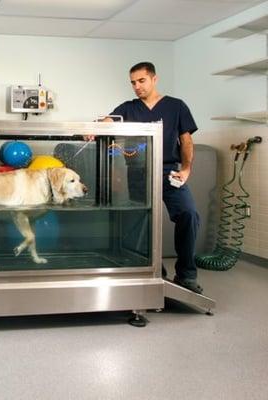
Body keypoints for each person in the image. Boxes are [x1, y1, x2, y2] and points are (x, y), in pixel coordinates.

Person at [104, 61, 203, 294]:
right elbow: (108, 123)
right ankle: (153, 268)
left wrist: (186, 169)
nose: (137, 87)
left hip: (169, 171)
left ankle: (186, 274)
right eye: (133, 83)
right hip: (138, 173)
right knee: (143, 220)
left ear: (154, 79)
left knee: (189, 214)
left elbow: (186, 140)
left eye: (141, 81)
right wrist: (96, 128)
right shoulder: (128, 108)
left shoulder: (176, 106)